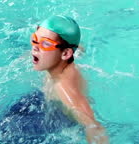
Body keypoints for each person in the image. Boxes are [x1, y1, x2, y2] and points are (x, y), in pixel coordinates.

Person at [30, 15, 109, 144]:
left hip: (61, 122)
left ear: (66, 54)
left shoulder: (63, 87)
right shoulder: (54, 59)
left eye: (45, 43)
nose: (35, 47)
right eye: (35, 40)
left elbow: (94, 126)